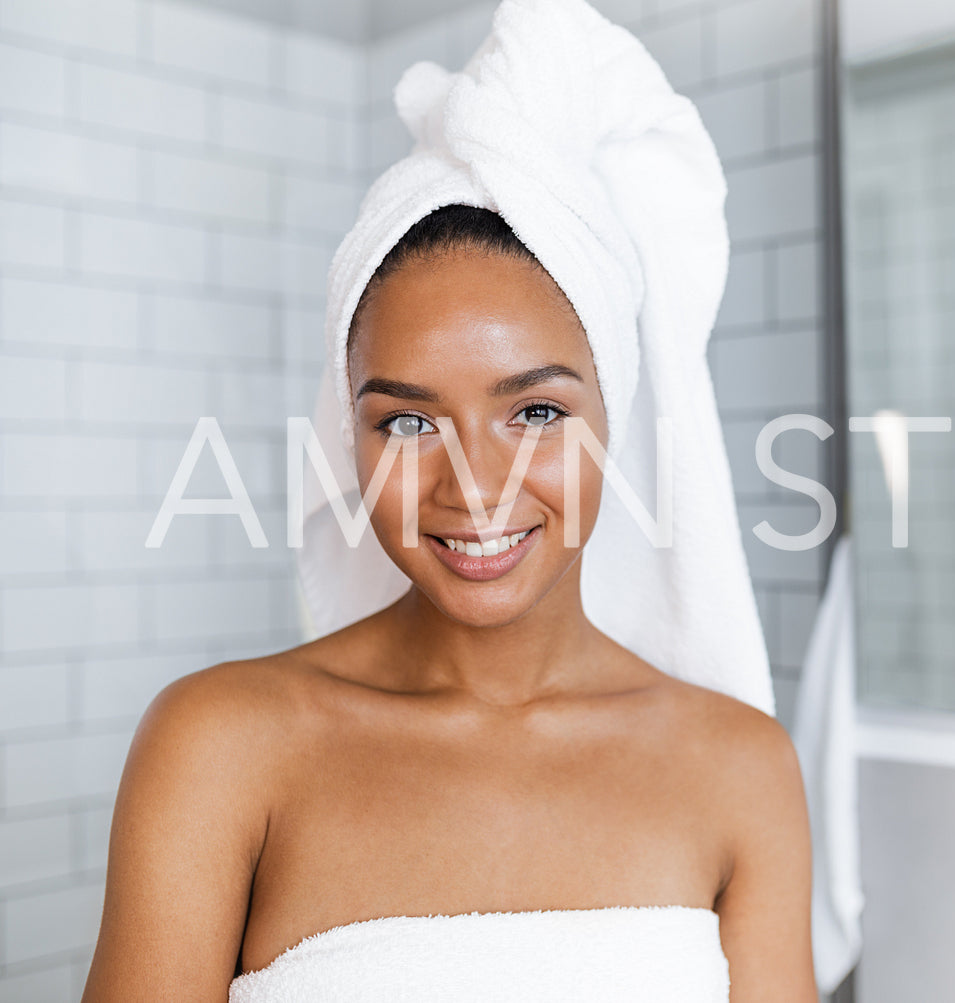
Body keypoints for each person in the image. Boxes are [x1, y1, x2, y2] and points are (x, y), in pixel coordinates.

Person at [82, 2, 819, 1000]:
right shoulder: (219, 744)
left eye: (534, 412)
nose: (474, 486)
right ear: (350, 438)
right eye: (409, 422)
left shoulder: (738, 767)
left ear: (617, 417)